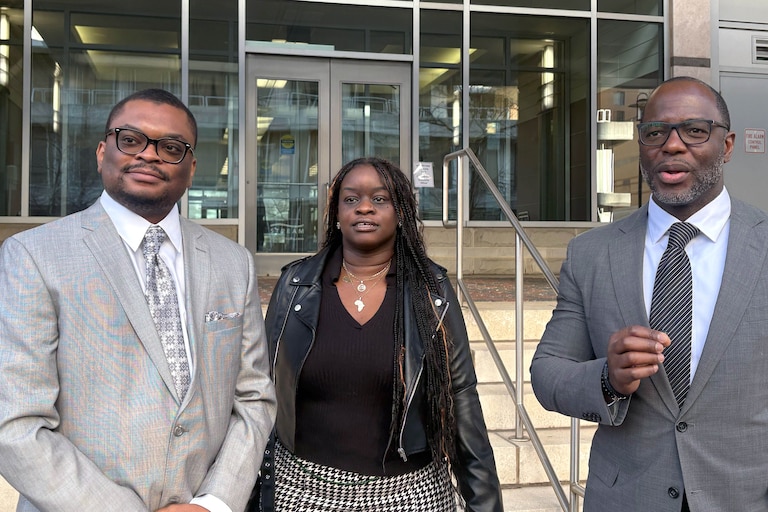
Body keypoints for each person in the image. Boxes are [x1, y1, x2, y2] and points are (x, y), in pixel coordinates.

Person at [0, 89, 276, 512]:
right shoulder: (33, 256)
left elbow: (253, 397)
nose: (149, 155)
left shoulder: (231, 261)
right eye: (131, 139)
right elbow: (15, 423)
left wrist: (215, 502)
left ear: (191, 166)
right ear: (101, 151)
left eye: (170, 147)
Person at [530, 75, 768, 511]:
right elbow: (548, 374)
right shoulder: (592, 253)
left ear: (728, 145)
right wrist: (608, 378)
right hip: (626, 497)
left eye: (695, 130)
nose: (672, 145)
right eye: (655, 132)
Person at [254, 157, 503, 512]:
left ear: (401, 211)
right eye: (351, 199)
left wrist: (485, 504)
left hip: (410, 494)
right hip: (301, 491)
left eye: (380, 199)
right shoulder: (295, 285)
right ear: (336, 213)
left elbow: (460, 400)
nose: (365, 207)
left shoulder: (432, 291)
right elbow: (260, 391)